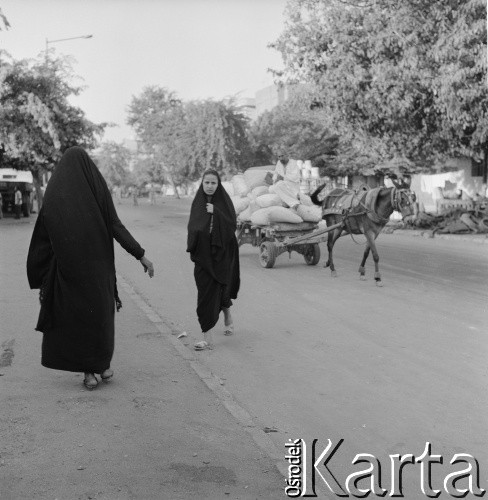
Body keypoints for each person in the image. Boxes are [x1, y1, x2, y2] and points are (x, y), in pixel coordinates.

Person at [27, 147, 155, 390]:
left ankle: (94, 370)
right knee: (100, 317)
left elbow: (42, 236)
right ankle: (96, 368)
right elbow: (115, 225)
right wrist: (141, 255)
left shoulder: (54, 190)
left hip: (71, 270)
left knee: (81, 319)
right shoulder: (95, 187)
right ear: (88, 167)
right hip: (97, 269)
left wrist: (41, 270)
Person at [187, 169, 240, 351]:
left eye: (213, 183)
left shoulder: (223, 202)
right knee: (204, 293)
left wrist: (216, 212)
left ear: (218, 185)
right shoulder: (198, 203)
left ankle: (225, 318)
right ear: (202, 184)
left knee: (222, 288)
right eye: (206, 182)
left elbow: (232, 224)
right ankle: (207, 333)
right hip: (203, 256)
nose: (209, 186)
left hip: (223, 253)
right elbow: (193, 227)